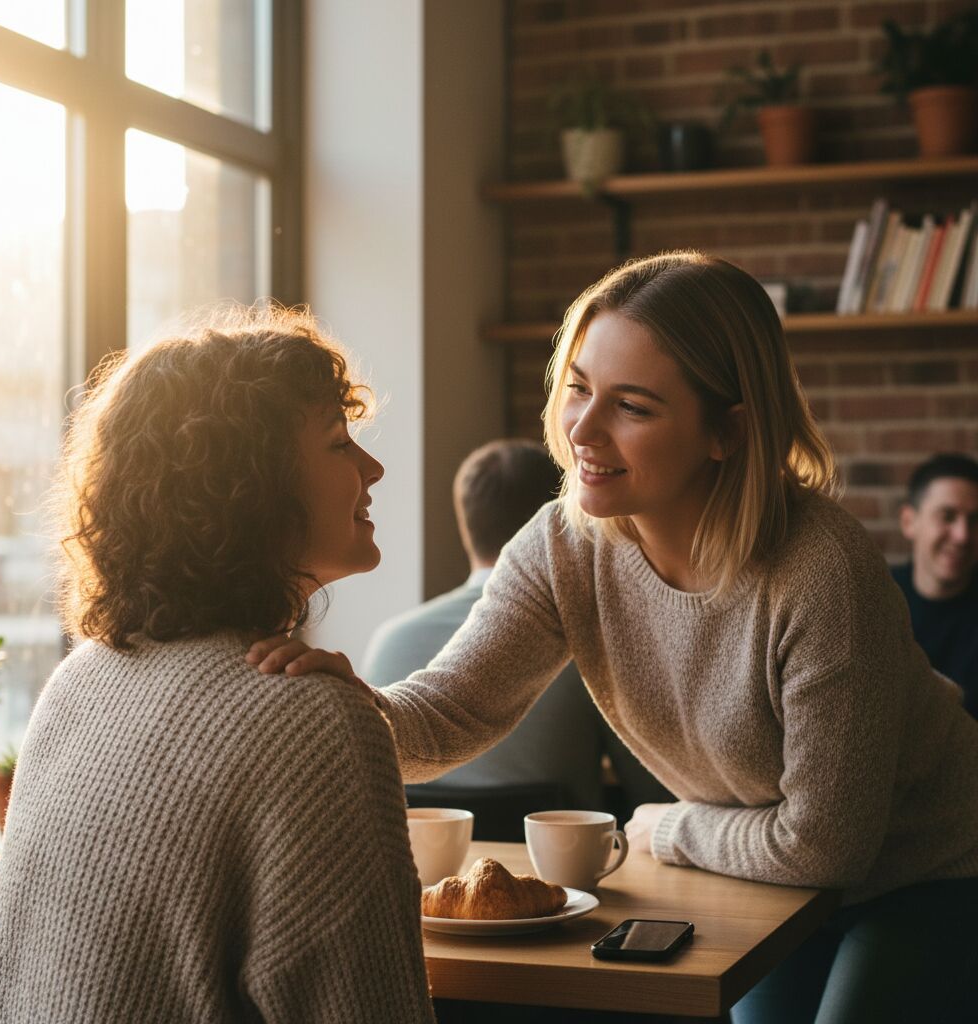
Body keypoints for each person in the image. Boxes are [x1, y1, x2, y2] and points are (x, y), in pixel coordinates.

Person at [252, 252, 978, 1024]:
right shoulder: (564, 543)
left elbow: (827, 847)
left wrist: (668, 825)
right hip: (767, 880)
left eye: (632, 406)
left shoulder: (822, 569)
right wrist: (339, 704)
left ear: (727, 431)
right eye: (578, 389)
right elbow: (451, 715)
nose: (583, 431)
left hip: (927, 868)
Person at [0, 306, 435, 1024]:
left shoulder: (82, 681)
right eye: (341, 442)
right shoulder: (313, 724)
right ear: (253, 485)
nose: (372, 467)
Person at [362, 438, 670, 821]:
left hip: (427, 864)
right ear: (561, 509)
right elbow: (653, 789)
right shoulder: (592, 641)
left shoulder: (388, 639)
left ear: (466, 524)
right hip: (561, 870)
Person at [892, 452, 978, 718]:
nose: (963, 536)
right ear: (909, 522)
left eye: (975, 521)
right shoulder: (876, 600)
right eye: (947, 516)